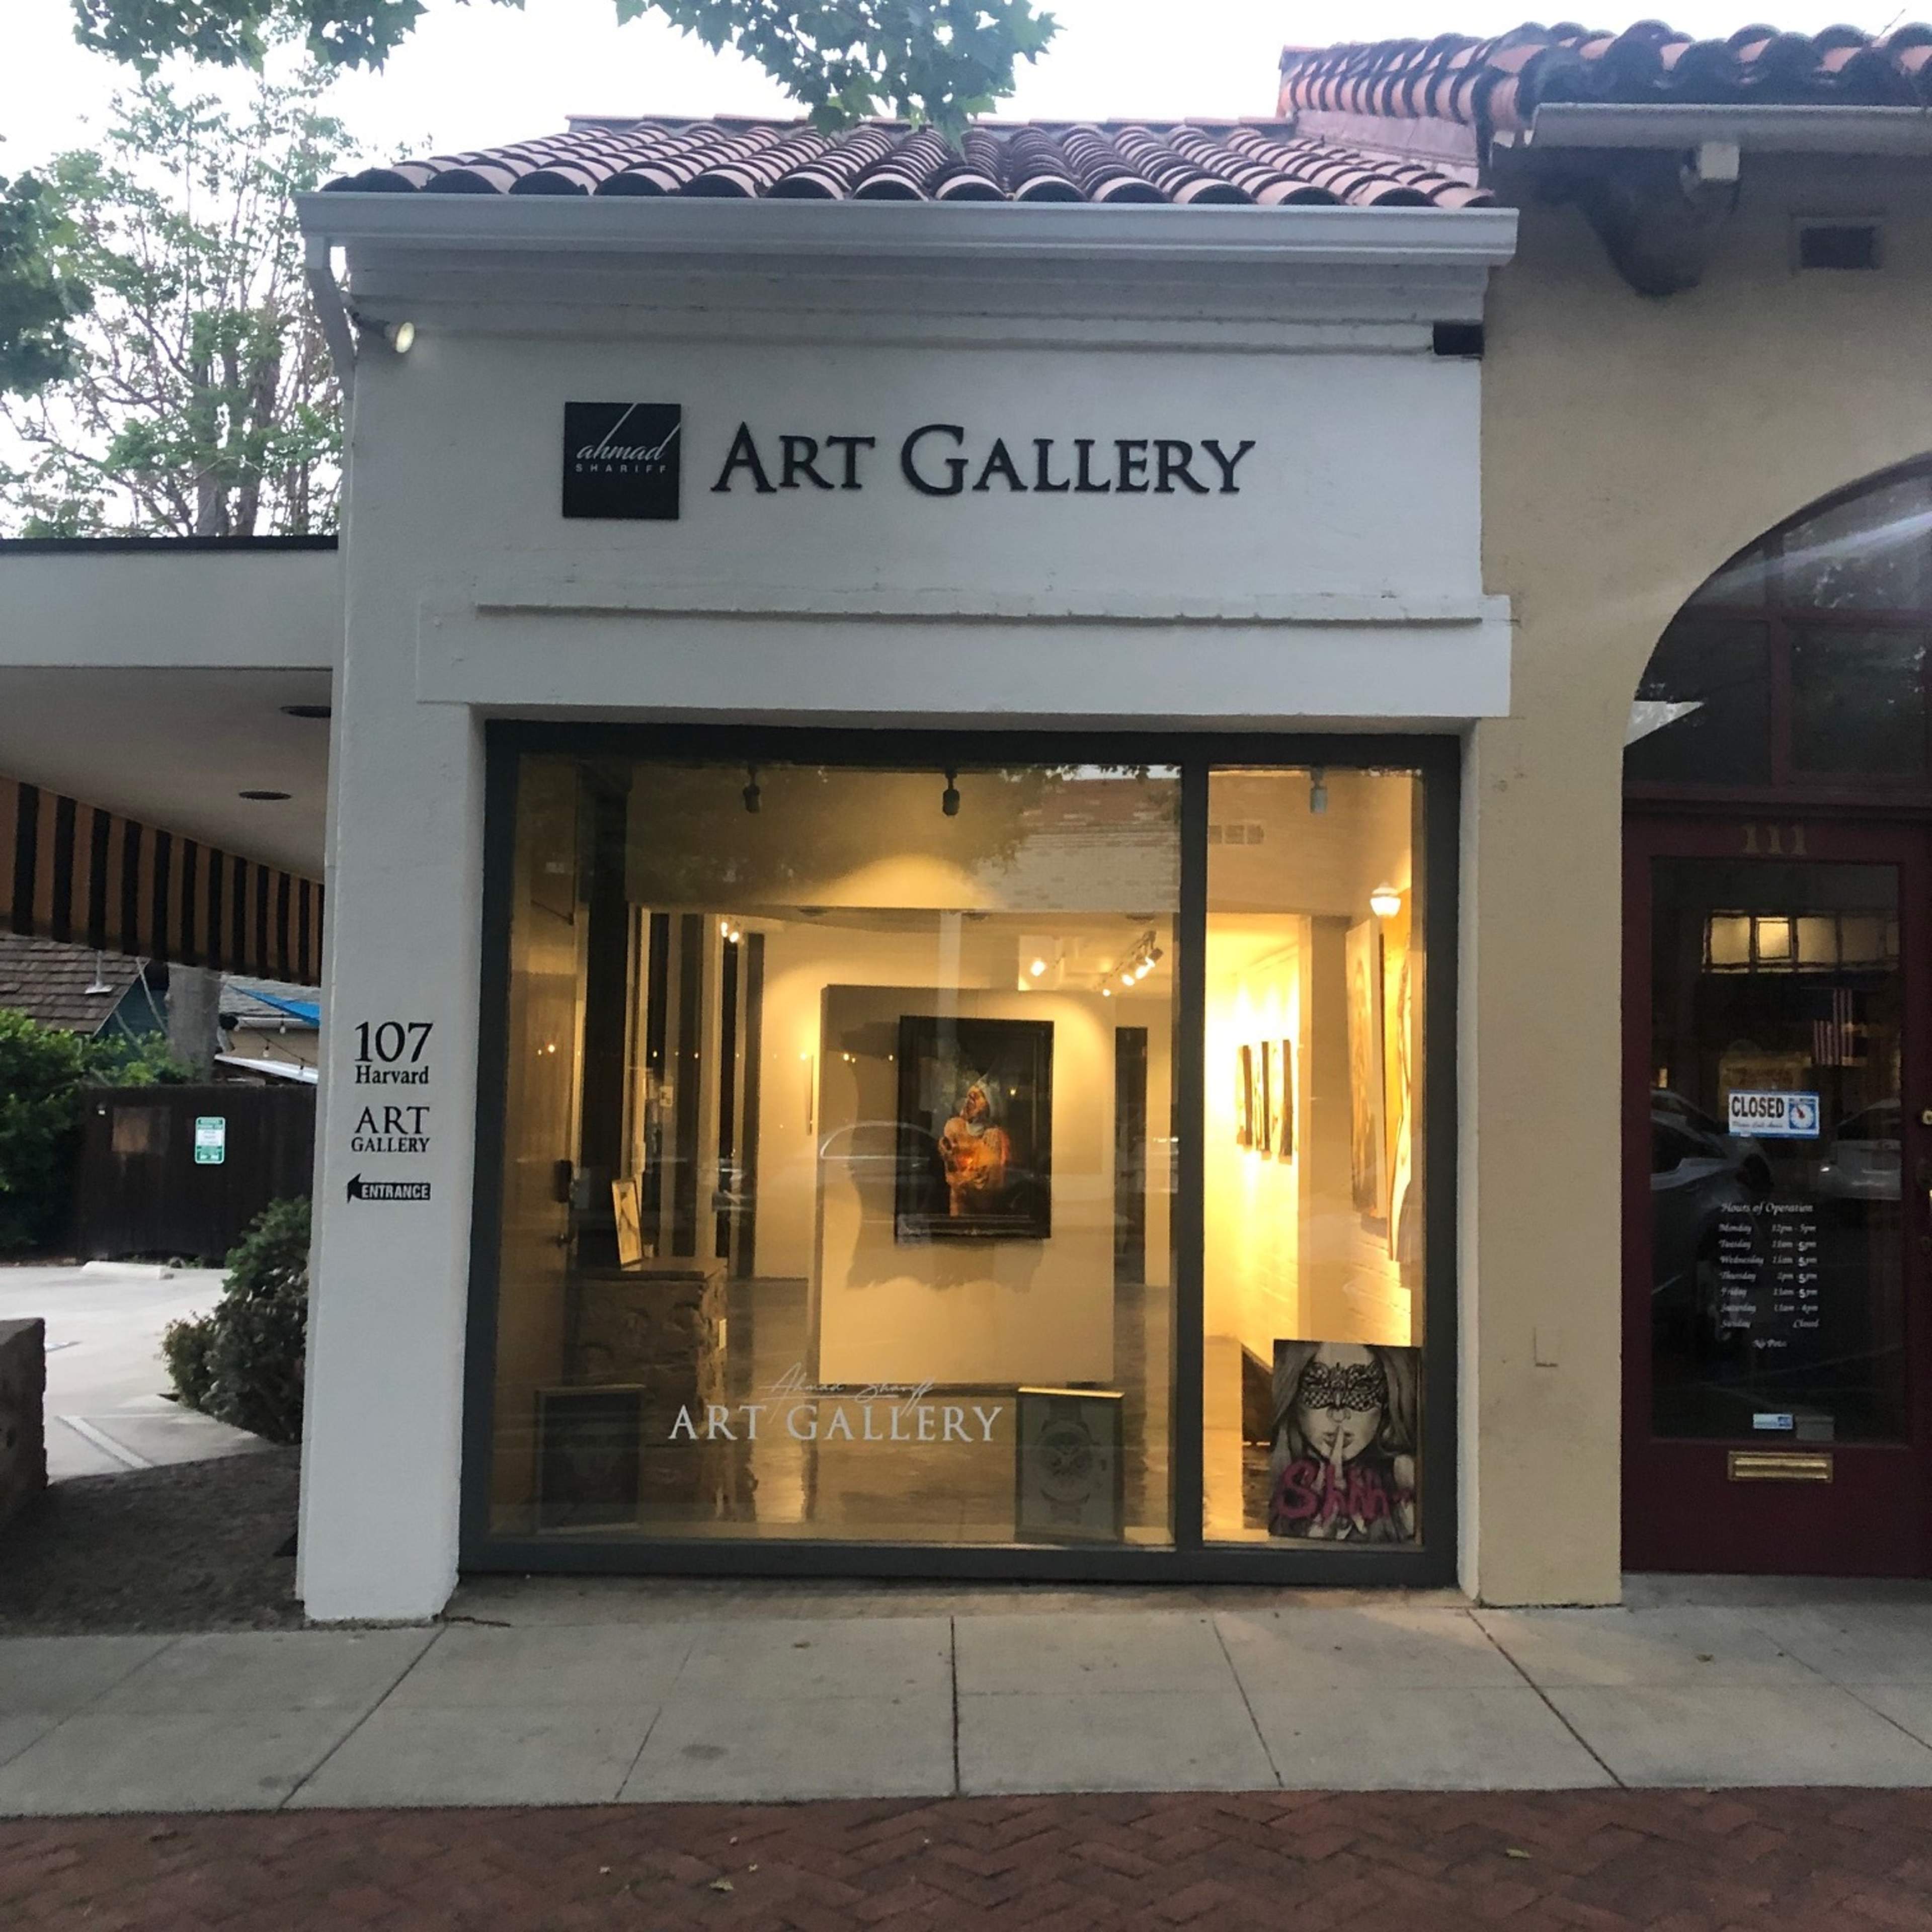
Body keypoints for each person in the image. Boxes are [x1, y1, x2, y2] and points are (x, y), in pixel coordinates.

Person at [1267, 1340, 1417, 1542]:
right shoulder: (1269, 1484)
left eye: (1361, 1390)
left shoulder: (1406, 1480)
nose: (1338, 1413)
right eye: (1317, 1388)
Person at [938, 1078, 1011, 1219]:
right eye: (970, 1095)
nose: (971, 1098)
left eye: (980, 1095)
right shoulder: (955, 1128)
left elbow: (989, 1186)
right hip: (958, 1212)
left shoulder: (994, 1137)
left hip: (984, 1213)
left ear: (990, 1107)